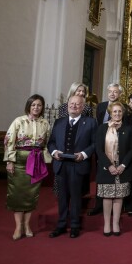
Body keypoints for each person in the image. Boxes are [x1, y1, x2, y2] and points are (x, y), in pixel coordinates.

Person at [48, 95, 98, 239]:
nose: (74, 106)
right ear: (67, 105)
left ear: (83, 107)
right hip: (61, 164)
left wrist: (83, 154)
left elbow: (95, 143)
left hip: (79, 164)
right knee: (62, 197)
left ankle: (75, 226)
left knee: (76, 197)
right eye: (71, 103)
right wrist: (54, 152)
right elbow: (51, 142)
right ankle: (61, 225)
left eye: (77, 104)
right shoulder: (59, 122)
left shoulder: (90, 122)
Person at [4, 94, 52, 240]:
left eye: (39, 105)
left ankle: (27, 225)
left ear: (42, 107)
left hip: (37, 162)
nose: (36, 107)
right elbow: (9, 141)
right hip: (19, 162)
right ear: (28, 106)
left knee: (31, 195)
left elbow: (47, 144)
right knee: (18, 194)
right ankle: (18, 226)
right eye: (33, 105)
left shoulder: (45, 123)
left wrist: (46, 159)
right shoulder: (19, 121)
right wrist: (10, 161)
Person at [95, 102, 132, 236]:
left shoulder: (129, 129)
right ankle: (107, 223)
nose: (117, 114)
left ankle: (116, 223)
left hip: (123, 168)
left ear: (123, 113)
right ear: (110, 113)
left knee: (119, 196)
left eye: (119, 111)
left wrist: (123, 165)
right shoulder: (102, 128)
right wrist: (110, 166)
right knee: (107, 196)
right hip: (107, 168)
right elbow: (99, 150)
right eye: (114, 112)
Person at [91, 82, 124, 216]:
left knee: (116, 180)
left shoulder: (123, 108)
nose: (112, 94)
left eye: (115, 92)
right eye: (110, 91)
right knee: (101, 177)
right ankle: (98, 204)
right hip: (102, 145)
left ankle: (116, 206)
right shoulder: (101, 106)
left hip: (116, 146)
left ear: (120, 94)